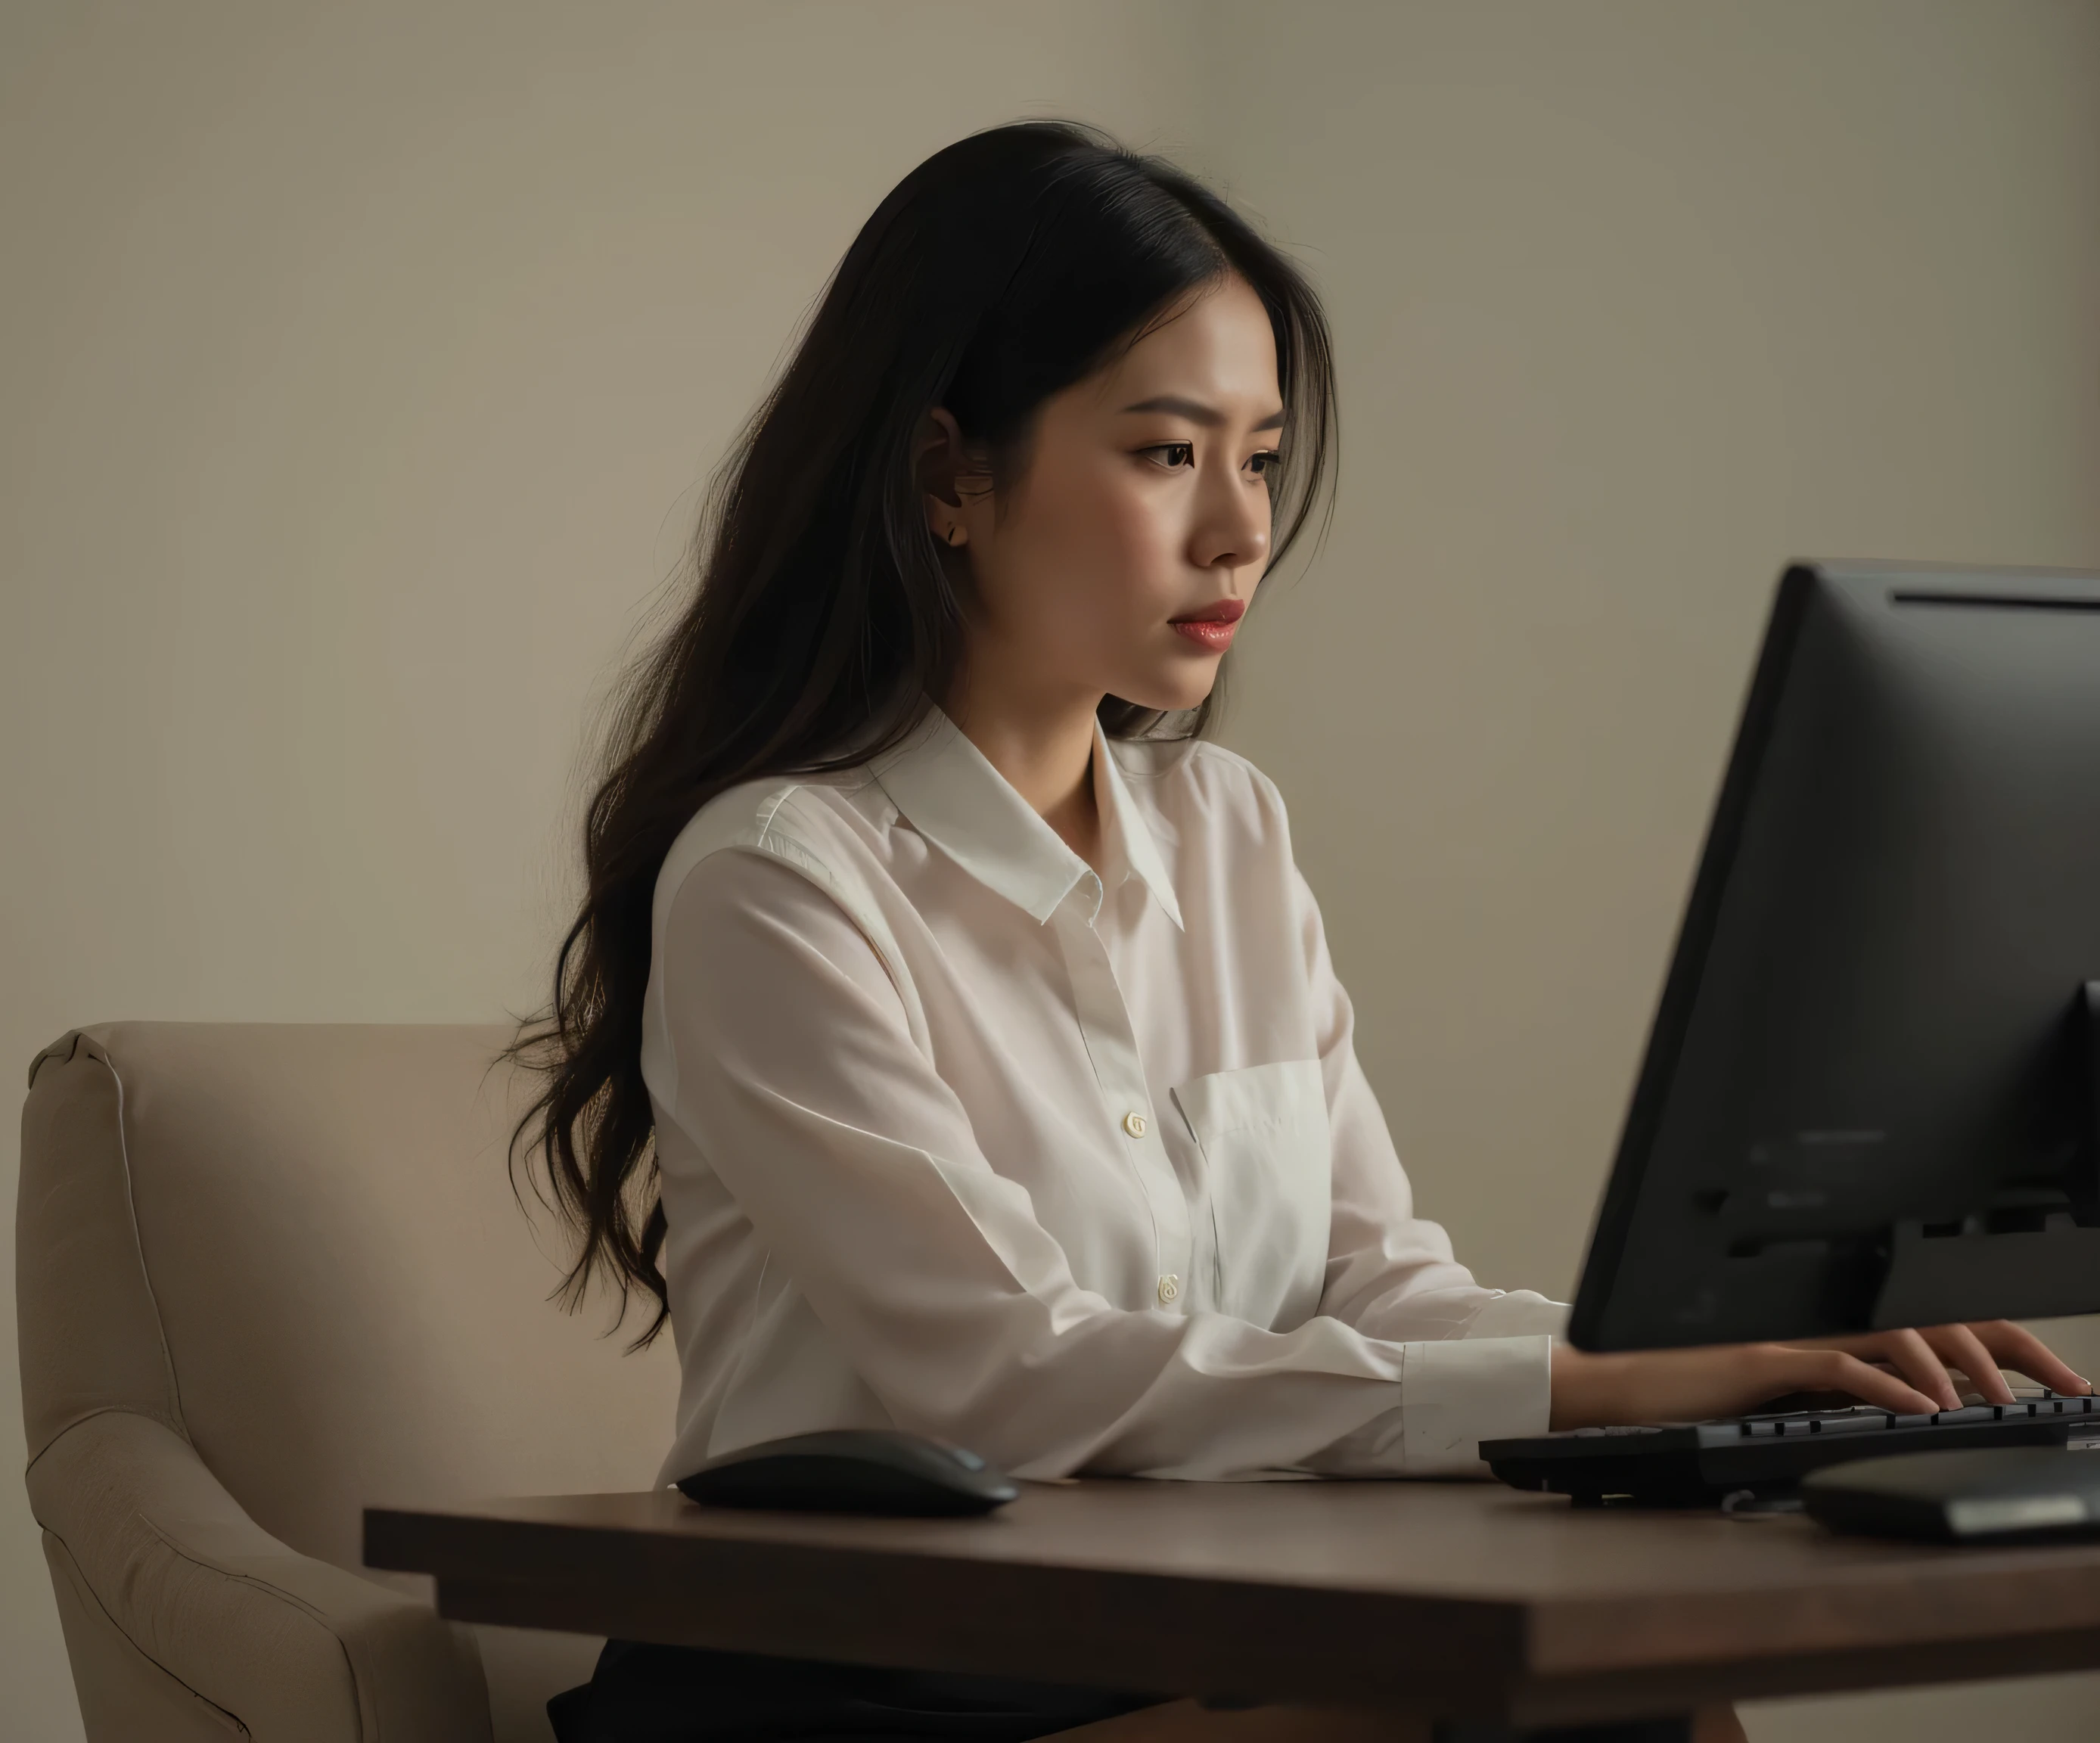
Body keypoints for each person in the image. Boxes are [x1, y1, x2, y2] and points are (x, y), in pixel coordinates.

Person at [512, 121, 2085, 1743]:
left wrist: (1727, 1354)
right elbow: (1007, 1373)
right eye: (1165, 452)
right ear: (945, 477)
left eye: (1260, 456)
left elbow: (1372, 1281)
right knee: (1570, 1718)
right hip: (854, 1682)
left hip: (1177, 1627)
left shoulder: (1231, 831)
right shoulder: (781, 877)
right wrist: (1596, 1390)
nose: (1242, 528)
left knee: (1630, 1704)